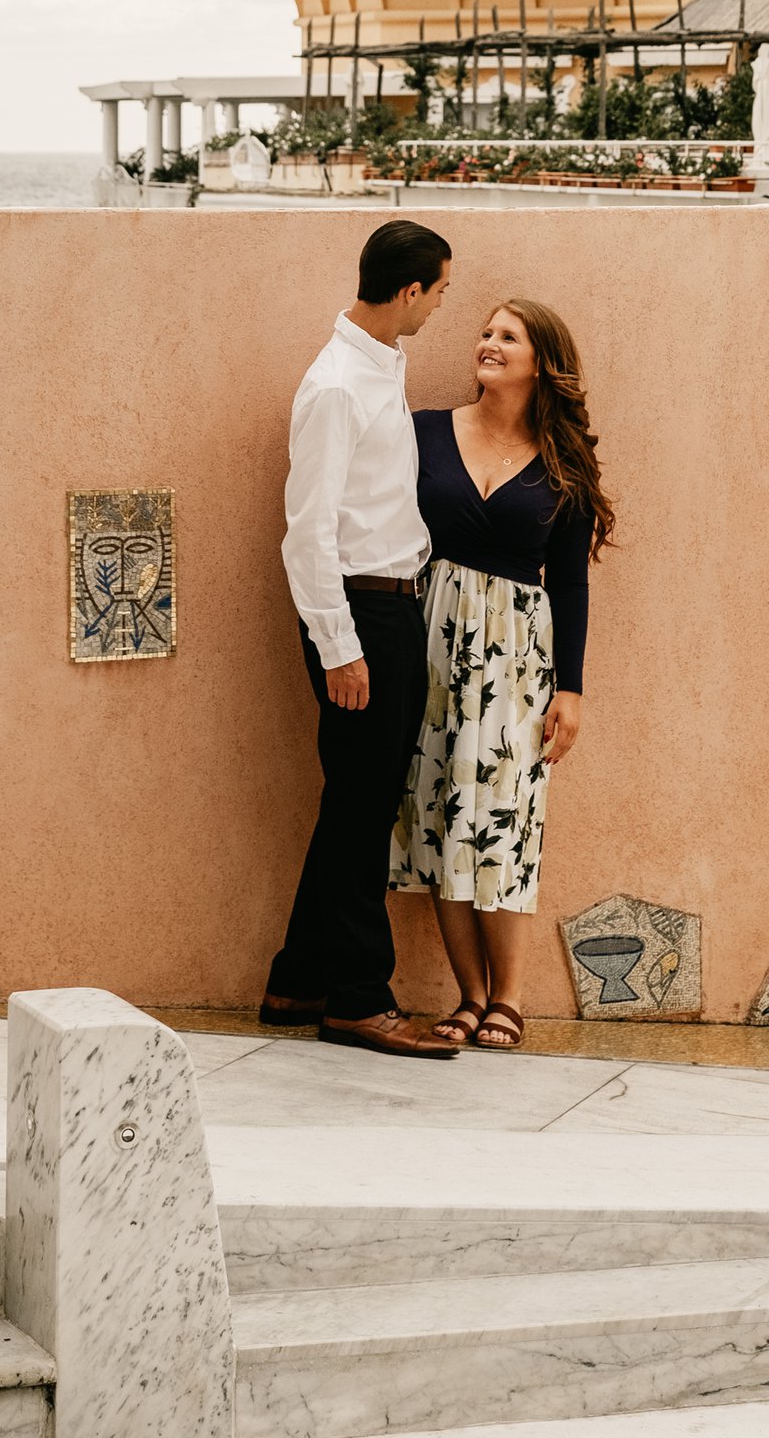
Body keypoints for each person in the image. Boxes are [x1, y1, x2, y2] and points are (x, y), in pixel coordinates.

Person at [390, 298, 615, 1051]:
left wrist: (572, 690)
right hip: (429, 640)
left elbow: (572, 584)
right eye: (485, 332)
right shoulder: (422, 431)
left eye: (506, 337)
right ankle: (469, 994)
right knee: (438, 817)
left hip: (518, 658)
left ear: (539, 361)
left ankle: (509, 998)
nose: (487, 344)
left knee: (505, 822)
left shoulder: (563, 463)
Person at [261, 218, 462, 1059]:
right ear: (410, 290)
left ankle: (297, 978)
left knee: (354, 803)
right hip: (360, 617)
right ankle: (356, 998)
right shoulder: (338, 385)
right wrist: (339, 646)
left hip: (393, 608)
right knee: (362, 813)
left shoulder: (381, 365)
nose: (443, 305)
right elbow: (306, 532)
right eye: (441, 291)